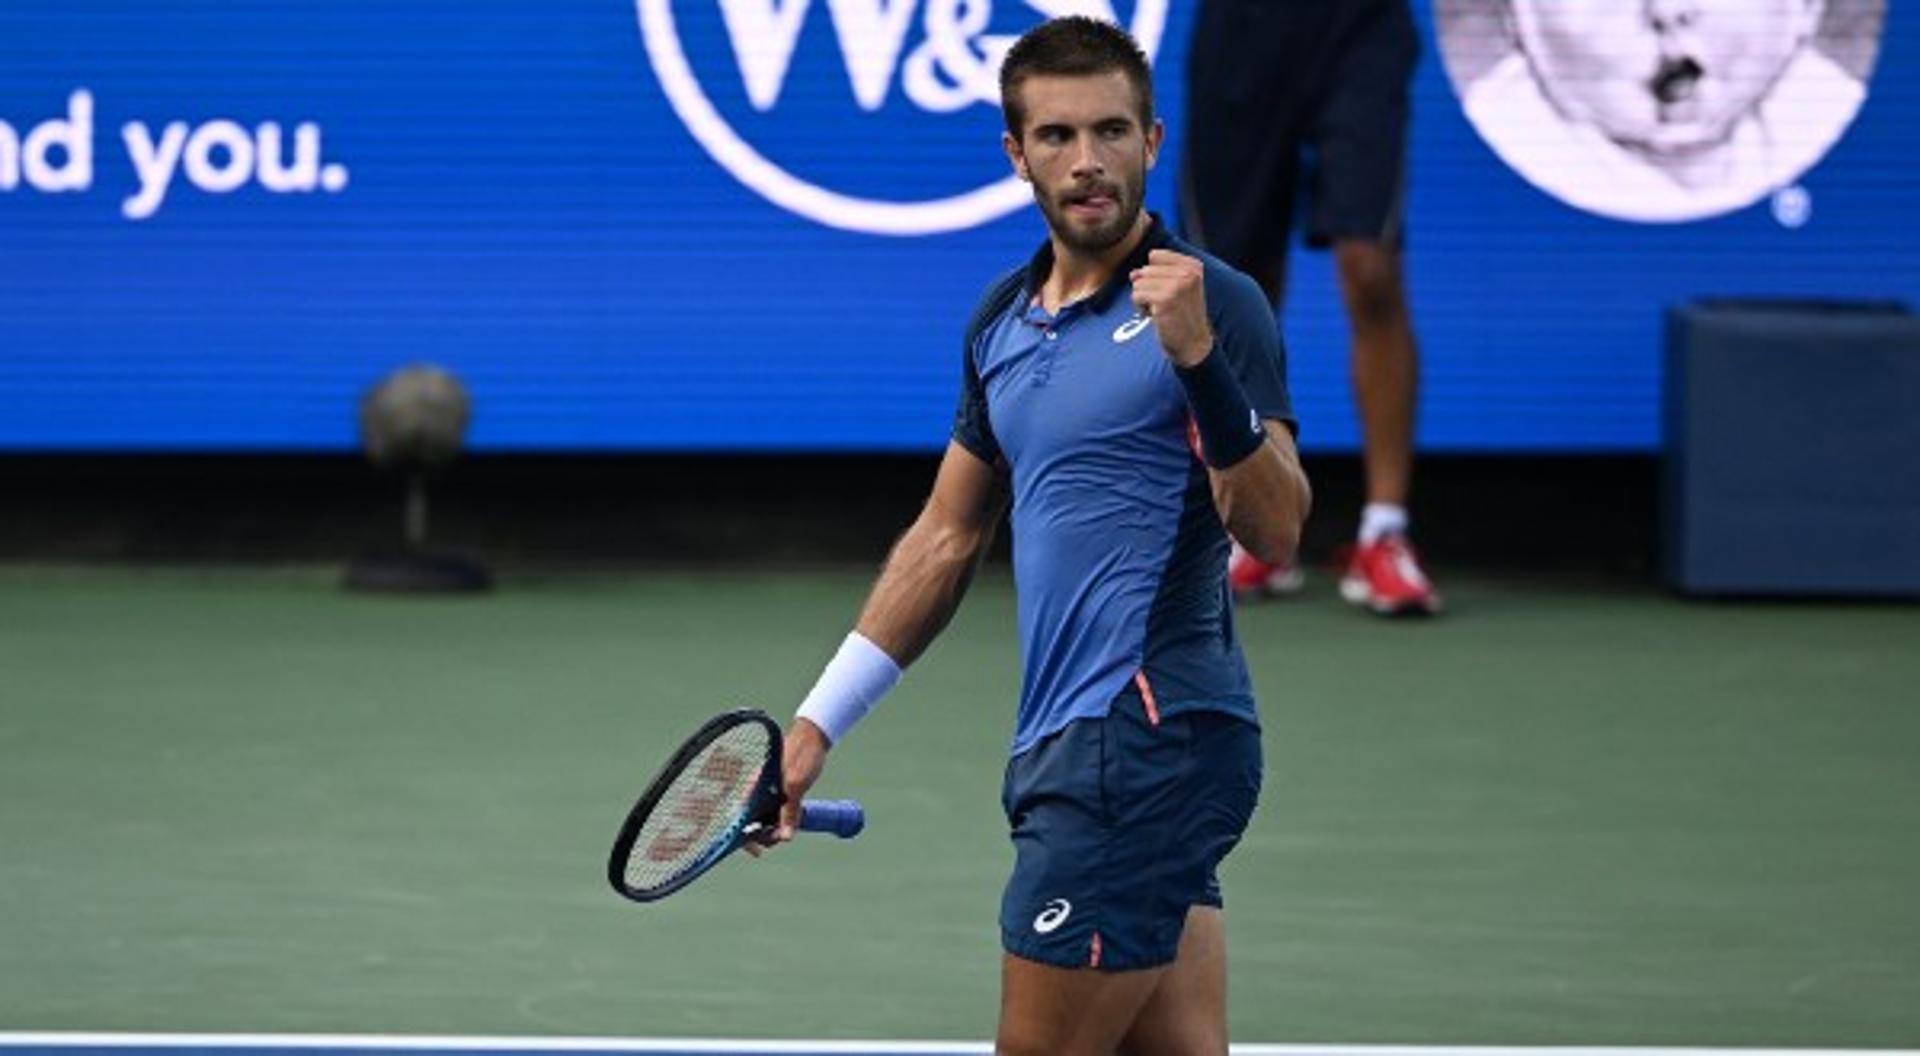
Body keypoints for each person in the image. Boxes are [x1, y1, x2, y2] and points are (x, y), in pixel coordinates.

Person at [760, 17, 1311, 1053]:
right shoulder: (1001, 323)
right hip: (1082, 743)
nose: (1088, 161)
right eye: (1057, 136)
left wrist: (1201, 364)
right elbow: (946, 536)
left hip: (1140, 740)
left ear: (1154, 140)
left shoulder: (1213, 302)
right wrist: (814, 727)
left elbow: (1275, 529)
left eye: (1112, 131)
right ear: (1017, 155)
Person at [1179, 0, 1440, 616]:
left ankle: (1385, 529)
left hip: (1359, 27)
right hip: (1240, 34)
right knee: (1238, 288)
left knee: (1370, 266)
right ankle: (1252, 524)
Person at [1460, 0, 1866, 222]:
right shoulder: (1496, 124)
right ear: (1516, 15)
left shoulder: (1829, 104)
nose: (1668, 10)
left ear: (1809, 8)